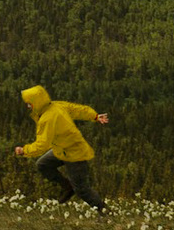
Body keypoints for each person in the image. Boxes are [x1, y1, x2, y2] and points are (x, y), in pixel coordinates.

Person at [14, 85, 109, 213]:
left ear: (36, 102)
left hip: (75, 154)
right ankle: (67, 187)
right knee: (43, 164)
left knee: (82, 189)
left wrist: (24, 150)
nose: (28, 106)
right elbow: (76, 110)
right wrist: (95, 116)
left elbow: (41, 145)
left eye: (29, 104)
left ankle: (105, 212)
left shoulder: (47, 119)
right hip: (62, 149)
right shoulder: (55, 105)